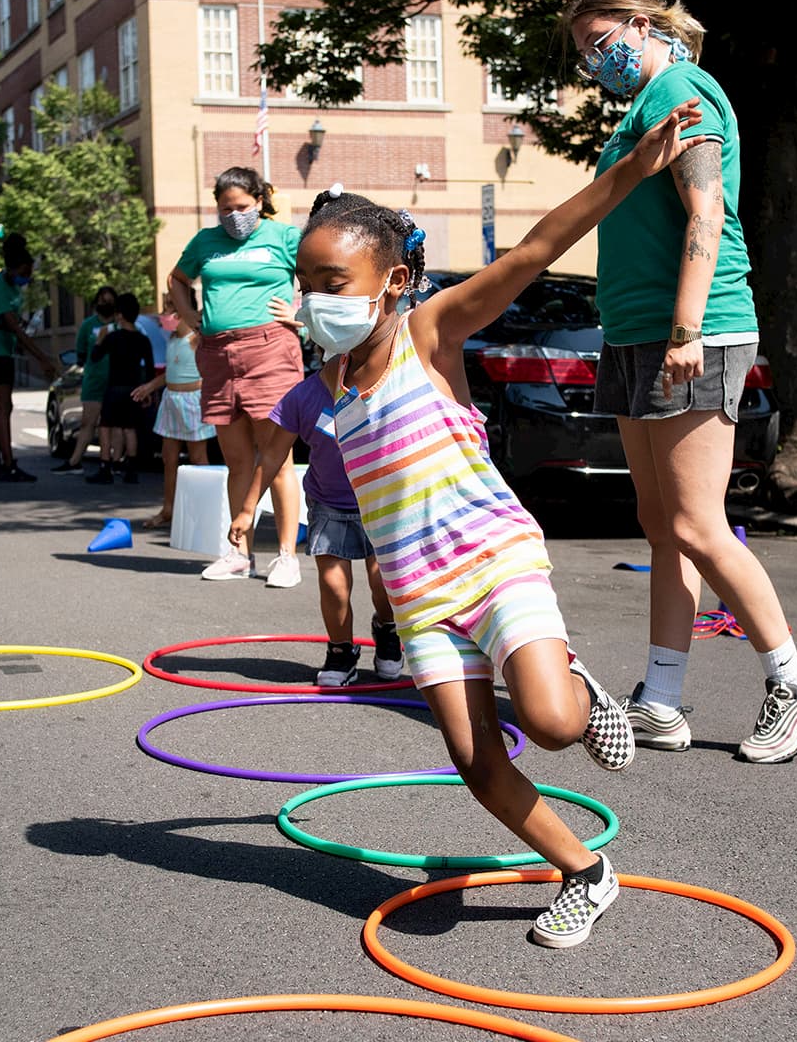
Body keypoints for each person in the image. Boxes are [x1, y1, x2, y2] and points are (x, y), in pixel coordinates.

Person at [231, 100, 703, 947]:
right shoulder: (327, 381)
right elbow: (269, 437)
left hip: (491, 559)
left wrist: (632, 172)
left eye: (333, 285)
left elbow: (534, 251)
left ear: (394, 283)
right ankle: (586, 873)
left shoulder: (429, 334)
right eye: (304, 285)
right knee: (476, 760)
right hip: (417, 597)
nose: (314, 301)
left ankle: (570, 681)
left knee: (555, 727)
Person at [561, 0, 797, 763]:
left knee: (695, 523)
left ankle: (794, 683)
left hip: (694, 330)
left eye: (599, 44)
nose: (593, 63)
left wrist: (685, 330)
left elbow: (707, 212)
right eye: (584, 55)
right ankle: (663, 698)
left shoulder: (683, 91)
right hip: (635, 331)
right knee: (659, 523)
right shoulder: (641, 108)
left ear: (643, 25)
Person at [168, 168, 305, 587]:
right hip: (217, 352)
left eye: (242, 207)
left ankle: (286, 556)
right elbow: (177, 279)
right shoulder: (205, 242)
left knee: (276, 456)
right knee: (237, 460)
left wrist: (301, 313)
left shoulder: (284, 237)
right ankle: (238, 554)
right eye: (225, 209)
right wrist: (191, 319)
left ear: (260, 201)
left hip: (270, 350)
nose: (234, 216)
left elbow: (324, 276)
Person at [231, 362, 404, 683]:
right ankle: (340, 652)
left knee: (384, 585)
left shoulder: (388, 383)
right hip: (329, 505)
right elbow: (271, 456)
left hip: (381, 503)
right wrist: (246, 509)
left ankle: (387, 629)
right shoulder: (304, 396)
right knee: (335, 586)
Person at [0, 237, 60, 481]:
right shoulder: (1, 286)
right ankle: (8, 463)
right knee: (4, 405)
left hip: (2, 345)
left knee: (3, 406)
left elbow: (14, 323)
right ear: (14, 268)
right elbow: (15, 328)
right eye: (25, 271)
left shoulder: (11, 285)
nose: (28, 276)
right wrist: (43, 359)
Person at [135, 311, 215, 529]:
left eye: (168, 309)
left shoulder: (197, 339)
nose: (162, 315)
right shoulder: (172, 339)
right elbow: (172, 371)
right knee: (168, 458)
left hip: (192, 401)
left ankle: (207, 511)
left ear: (182, 313)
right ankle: (168, 509)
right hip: (171, 400)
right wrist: (150, 387)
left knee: (199, 459)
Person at [90, 293, 155, 485]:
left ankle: (105, 466)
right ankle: (131, 469)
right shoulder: (143, 340)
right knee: (130, 428)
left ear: (119, 315)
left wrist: (99, 340)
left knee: (106, 426)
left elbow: (95, 357)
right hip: (134, 389)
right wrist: (148, 390)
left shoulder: (112, 337)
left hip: (114, 388)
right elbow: (150, 368)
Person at [57, 286, 119, 473]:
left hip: (116, 380)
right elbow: (81, 354)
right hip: (94, 380)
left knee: (116, 424)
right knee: (88, 422)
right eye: (102, 300)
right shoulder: (88, 325)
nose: (105, 304)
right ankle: (75, 461)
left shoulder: (120, 324)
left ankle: (114, 462)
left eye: (109, 301)